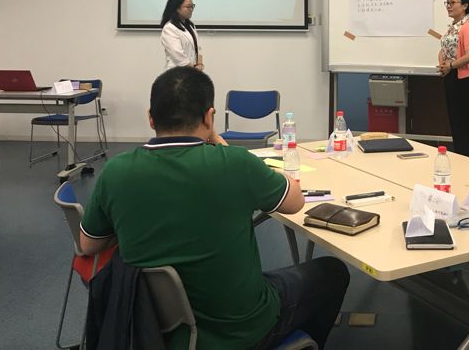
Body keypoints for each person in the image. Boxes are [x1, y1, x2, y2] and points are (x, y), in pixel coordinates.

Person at [79, 67, 350, 349]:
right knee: (332, 272)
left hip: (153, 331)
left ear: (150, 117)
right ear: (209, 117)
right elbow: (295, 202)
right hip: (241, 331)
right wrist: (224, 146)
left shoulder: (116, 172)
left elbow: (88, 245)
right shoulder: (235, 164)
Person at [437, 0, 469, 156]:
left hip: (463, 79)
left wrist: (450, 66)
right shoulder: (453, 27)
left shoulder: (467, 27)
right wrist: (442, 64)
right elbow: (444, 49)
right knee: (454, 121)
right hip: (451, 76)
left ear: (465, 5)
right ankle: (460, 155)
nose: (449, 6)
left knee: (462, 121)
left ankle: (466, 156)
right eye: (447, 2)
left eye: (452, 2)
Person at [160, 0, 203, 71]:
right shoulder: (169, 28)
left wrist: (200, 64)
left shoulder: (190, 25)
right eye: (188, 7)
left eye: (192, 6)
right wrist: (194, 70)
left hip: (192, 71)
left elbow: (198, 48)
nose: (191, 9)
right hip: (177, 72)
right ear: (177, 8)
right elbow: (178, 55)